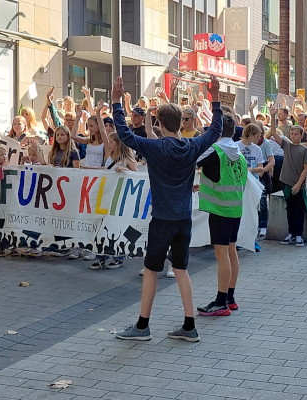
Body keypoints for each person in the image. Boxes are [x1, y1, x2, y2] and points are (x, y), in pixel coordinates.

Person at [111, 74, 223, 342]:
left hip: (162, 218)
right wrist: (215, 97)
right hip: (184, 217)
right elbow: (216, 130)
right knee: (181, 269)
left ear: (159, 123)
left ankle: (142, 326)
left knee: (152, 269)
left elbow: (124, 134)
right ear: (179, 123)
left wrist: (117, 103)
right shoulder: (192, 145)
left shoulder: (155, 147)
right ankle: (189, 325)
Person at [193, 111, 247, 318]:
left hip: (220, 209)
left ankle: (220, 301)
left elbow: (193, 162)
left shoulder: (214, 150)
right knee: (231, 251)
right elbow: (228, 179)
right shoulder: (238, 152)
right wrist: (204, 187)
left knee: (221, 254)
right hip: (235, 208)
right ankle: (230, 297)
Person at [274, 124, 307, 246]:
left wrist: (298, 184)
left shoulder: (305, 150)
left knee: (299, 210)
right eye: (292, 134)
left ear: (301, 135)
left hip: (299, 185)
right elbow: (273, 133)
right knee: (289, 209)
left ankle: (299, 234)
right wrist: (273, 115)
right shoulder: (286, 145)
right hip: (287, 183)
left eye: (296, 134)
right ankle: (291, 233)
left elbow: (306, 169)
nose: (293, 136)